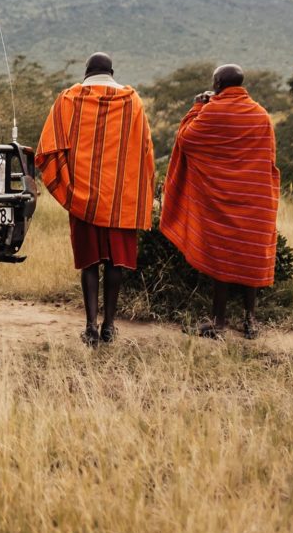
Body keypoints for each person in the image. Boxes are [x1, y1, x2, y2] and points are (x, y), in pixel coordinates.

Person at [35, 53, 156, 345]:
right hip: (121, 200)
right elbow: (146, 151)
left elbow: (48, 148)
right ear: (112, 71)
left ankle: (90, 325)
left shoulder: (68, 100)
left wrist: (66, 182)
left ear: (86, 72)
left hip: (83, 197)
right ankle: (110, 325)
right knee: (116, 263)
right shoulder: (133, 102)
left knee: (90, 263)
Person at [160, 64, 280, 340]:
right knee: (250, 259)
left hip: (220, 201)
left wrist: (197, 107)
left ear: (217, 83)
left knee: (222, 260)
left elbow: (186, 139)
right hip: (255, 199)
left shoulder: (212, 110)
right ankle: (250, 321)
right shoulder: (261, 115)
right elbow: (269, 161)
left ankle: (219, 321)